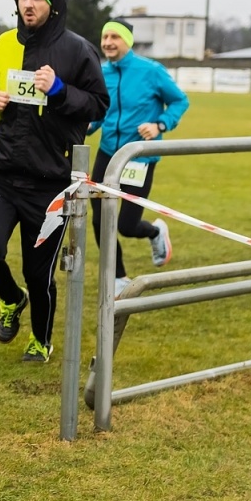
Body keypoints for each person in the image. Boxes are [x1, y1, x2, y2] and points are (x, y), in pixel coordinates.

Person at [0, 0, 109, 363]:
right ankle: (12, 300)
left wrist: (61, 91)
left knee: (39, 272)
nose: (28, 5)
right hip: (1, 172)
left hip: (50, 183)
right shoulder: (3, 43)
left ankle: (41, 340)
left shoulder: (77, 50)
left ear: (53, 5)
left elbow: (98, 104)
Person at [88, 19, 189, 294]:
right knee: (99, 220)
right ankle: (118, 277)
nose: (108, 42)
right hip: (107, 153)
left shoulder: (151, 71)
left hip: (138, 157)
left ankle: (155, 232)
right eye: (105, 36)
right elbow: (100, 111)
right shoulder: (101, 73)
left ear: (127, 42)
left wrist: (160, 124)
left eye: (114, 37)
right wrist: (88, 126)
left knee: (126, 225)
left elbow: (180, 100)